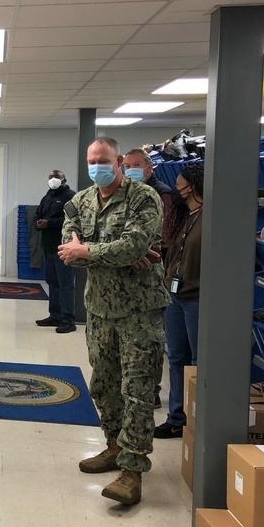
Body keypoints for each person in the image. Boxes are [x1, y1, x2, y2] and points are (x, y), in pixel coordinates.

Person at [58, 136, 168, 506]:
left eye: (102, 159)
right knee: (103, 386)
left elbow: (135, 246)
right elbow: (66, 250)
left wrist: (90, 249)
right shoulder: (81, 201)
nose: (95, 166)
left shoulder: (144, 198)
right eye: (90, 160)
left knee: (137, 392)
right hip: (100, 310)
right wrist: (110, 253)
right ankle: (113, 447)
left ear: (118, 160)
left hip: (139, 310)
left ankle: (132, 472)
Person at [154, 164, 204, 439]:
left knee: (197, 361)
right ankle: (176, 418)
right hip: (175, 296)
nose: (176, 189)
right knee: (176, 357)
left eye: (180, 184)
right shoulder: (182, 216)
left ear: (193, 186)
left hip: (198, 298)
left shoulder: (211, 217)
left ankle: (197, 419)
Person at [123, 148, 174, 409]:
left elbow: (163, 235)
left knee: (150, 338)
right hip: (126, 282)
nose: (130, 169)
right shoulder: (125, 193)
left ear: (149, 167)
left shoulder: (160, 193)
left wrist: (135, 251)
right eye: (127, 165)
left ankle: (151, 391)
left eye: (136, 165)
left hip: (152, 276)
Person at [34, 170, 77, 333]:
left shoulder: (71, 196)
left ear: (64, 180)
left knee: (65, 284)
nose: (53, 180)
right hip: (48, 245)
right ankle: (55, 315)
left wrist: (49, 223)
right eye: (50, 177)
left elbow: (72, 220)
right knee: (52, 282)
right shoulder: (47, 197)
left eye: (56, 177)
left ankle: (68, 320)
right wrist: (38, 223)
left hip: (63, 247)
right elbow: (38, 215)